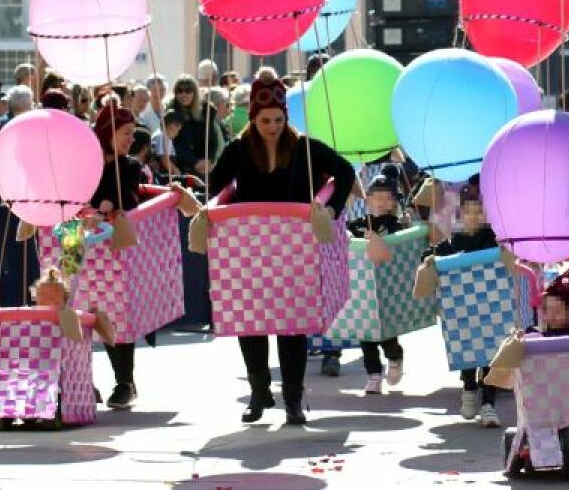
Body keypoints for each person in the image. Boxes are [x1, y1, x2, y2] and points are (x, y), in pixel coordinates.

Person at [208, 75, 355, 426]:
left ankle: (293, 398)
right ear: (253, 119)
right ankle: (259, 391)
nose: (272, 127)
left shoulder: (304, 146)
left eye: (278, 119)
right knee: (250, 320)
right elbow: (215, 186)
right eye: (265, 121)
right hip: (247, 249)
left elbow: (345, 172)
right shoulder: (238, 149)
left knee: (293, 324)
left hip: (295, 249)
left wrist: (329, 208)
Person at [422, 176, 502, 427]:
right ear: (460, 214)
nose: (473, 217)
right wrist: (429, 261)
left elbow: (507, 253)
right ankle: (468, 390)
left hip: (491, 302)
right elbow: (431, 256)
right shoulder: (452, 241)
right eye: (468, 212)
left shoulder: (492, 237)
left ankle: (489, 403)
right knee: (469, 349)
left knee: (492, 353)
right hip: (463, 308)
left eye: (479, 212)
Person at [89, 102, 148, 409]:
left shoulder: (130, 166)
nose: (130, 140)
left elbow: (132, 195)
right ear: (107, 132)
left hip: (112, 250)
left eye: (132, 134)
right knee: (76, 310)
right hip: (77, 245)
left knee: (115, 311)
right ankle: (80, 380)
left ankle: (124, 381)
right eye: (125, 133)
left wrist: (114, 200)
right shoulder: (84, 162)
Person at [346, 165, 408, 396]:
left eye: (387, 198)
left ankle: (395, 357)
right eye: (376, 196)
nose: (381, 202)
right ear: (368, 199)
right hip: (361, 287)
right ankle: (373, 374)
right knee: (365, 334)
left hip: (386, 287)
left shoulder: (395, 225)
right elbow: (343, 234)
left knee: (386, 331)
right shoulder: (358, 223)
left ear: (393, 202)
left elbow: (400, 241)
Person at [166, 75, 221, 178]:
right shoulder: (171, 112)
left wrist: (209, 160)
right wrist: (194, 162)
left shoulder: (207, 110)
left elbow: (212, 139)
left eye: (188, 90)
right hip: (182, 167)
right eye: (179, 91)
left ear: (194, 93)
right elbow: (175, 143)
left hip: (205, 166)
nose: (183, 94)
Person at [150, 110, 183, 179]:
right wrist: (176, 172)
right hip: (162, 173)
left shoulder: (166, 137)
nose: (177, 134)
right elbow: (164, 160)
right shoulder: (161, 136)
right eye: (175, 130)